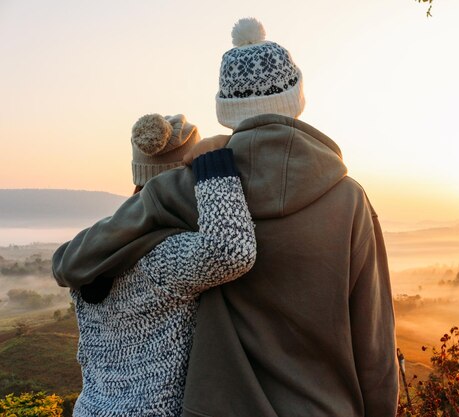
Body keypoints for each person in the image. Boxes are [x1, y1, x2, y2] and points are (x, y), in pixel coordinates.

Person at [53, 18, 398, 417]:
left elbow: (70, 262)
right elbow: (374, 345)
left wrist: (153, 233)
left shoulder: (191, 189)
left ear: (225, 110)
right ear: (298, 98)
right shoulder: (349, 199)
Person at [62, 113, 256, 416]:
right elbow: (230, 250)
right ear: (183, 177)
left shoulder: (96, 248)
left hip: (90, 407)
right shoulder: (163, 257)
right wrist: (214, 165)